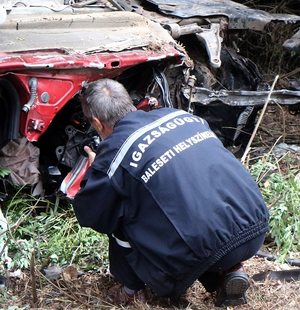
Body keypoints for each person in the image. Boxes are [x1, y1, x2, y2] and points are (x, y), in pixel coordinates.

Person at [72, 79, 269, 307]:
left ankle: (132, 291)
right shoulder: (178, 116)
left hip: (203, 248)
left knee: (118, 211)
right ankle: (231, 269)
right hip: (255, 227)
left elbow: (91, 214)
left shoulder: (114, 155)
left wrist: (94, 170)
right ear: (130, 103)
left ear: (96, 122)